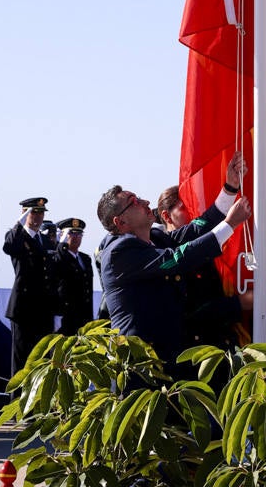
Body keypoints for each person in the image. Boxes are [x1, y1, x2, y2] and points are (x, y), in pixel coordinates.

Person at [96, 152, 251, 374]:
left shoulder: (155, 239)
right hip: (141, 371)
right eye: (134, 202)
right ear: (120, 222)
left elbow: (196, 229)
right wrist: (229, 225)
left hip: (169, 362)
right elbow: (176, 258)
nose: (146, 202)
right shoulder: (119, 253)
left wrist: (229, 189)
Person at [156, 186, 243, 351]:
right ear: (167, 216)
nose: (193, 212)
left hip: (222, 345)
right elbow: (191, 313)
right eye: (185, 207)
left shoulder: (204, 248)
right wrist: (238, 304)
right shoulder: (164, 255)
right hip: (195, 353)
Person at [3, 197, 57, 373]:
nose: (38, 216)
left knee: (43, 362)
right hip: (24, 310)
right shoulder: (18, 236)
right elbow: (9, 246)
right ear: (25, 213)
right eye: (34, 212)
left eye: (41, 212)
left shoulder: (46, 240)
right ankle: (17, 400)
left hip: (43, 310)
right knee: (21, 362)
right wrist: (19, 223)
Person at [55, 218, 94, 335]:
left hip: (84, 317)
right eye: (71, 233)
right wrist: (61, 244)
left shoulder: (85, 259)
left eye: (79, 234)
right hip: (66, 316)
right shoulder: (59, 257)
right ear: (63, 235)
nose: (76, 237)